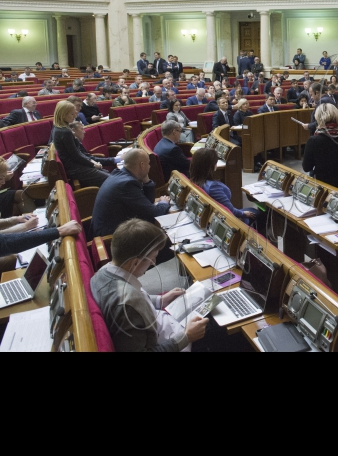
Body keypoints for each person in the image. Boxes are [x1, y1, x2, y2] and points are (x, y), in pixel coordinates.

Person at [91, 219, 208, 352]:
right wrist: (186, 337)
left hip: (161, 323)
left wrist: (160, 300)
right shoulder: (128, 305)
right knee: (218, 328)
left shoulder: (102, 273)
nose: (153, 262)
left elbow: (138, 301)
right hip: (173, 341)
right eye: (152, 258)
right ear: (135, 263)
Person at [91, 149, 171, 239]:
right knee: (164, 238)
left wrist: (146, 181)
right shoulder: (127, 184)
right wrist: (164, 203)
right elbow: (154, 214)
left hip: (110, 229)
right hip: (111, 238)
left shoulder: (118, 174)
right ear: (142, 165)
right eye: (148, 164)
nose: (149, 167)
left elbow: (148, 203)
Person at [191, 149, 260, 225]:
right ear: (210, 166)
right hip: (224, 218)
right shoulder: (213, 187)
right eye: (215, 162)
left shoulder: (194, 180)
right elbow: (229, 211)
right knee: (258, 214)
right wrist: (243, 214)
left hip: (213, 214)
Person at [52, 101, 109, 188]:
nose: (75, 116)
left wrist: (91, 161)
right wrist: (92, 164)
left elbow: (77, 152)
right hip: (75, 168)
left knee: (110, 175)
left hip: (76, 165)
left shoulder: (59, 128)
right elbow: (76, 155)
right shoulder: (64, 131)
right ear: (63, 115)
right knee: (110, 179)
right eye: (71, 114)